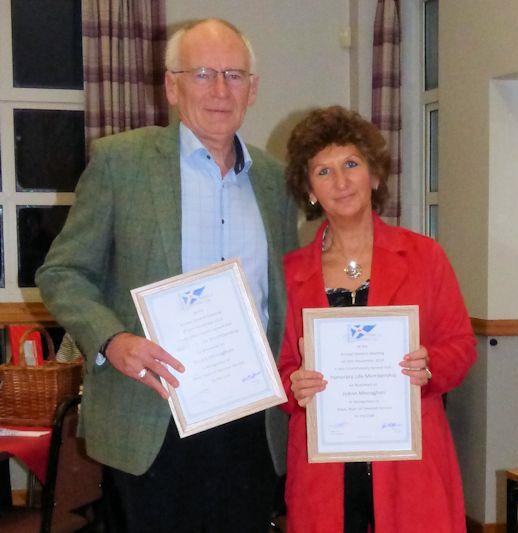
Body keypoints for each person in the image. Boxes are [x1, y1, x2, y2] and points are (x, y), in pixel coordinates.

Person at [35, 18, 297, 532]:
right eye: (202, 73)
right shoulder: (121, 163)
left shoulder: (274, 181)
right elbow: (62, 271)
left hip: (251, 424)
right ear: (171, 86)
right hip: (152, 416)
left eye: (233, 75)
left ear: (253, 88)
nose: (220, 90)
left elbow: (285, 296)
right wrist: (113, 340)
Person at [278, 105, 476, 532]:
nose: (342, 181)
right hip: (324, 466)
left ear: (375, 175)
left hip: (411, 460)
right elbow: (276, 371)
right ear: (309, 189)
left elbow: (461, 344)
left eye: (351, 163)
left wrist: (431, 366)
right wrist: (294, 386)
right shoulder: (290, 273)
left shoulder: (425, 257)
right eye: (323, 171)